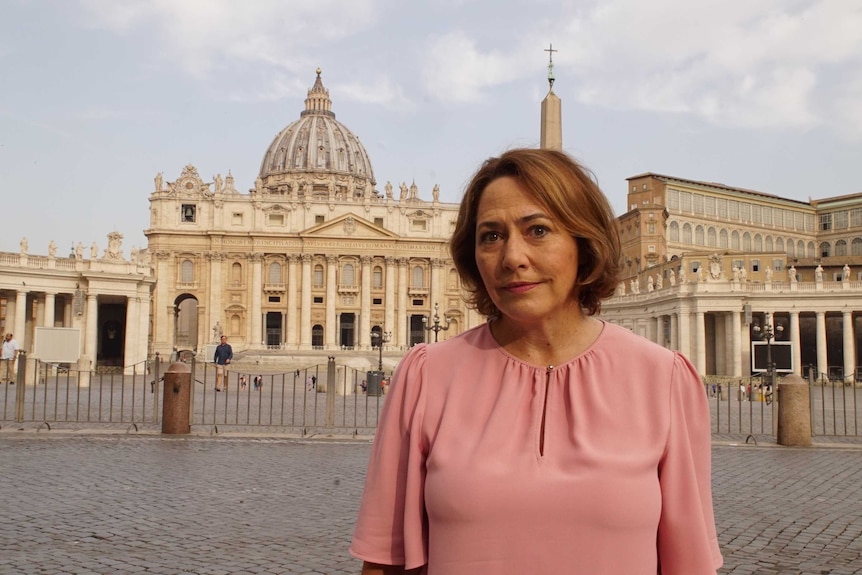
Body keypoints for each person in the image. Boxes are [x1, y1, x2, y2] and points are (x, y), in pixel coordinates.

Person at [350, 148, 722, 575]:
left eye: (538, 230)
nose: (512, 257)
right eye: (490, 236)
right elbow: (384, 564)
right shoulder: (425, 377)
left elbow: (689, 564)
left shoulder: (664, 380)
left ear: (584, 244)